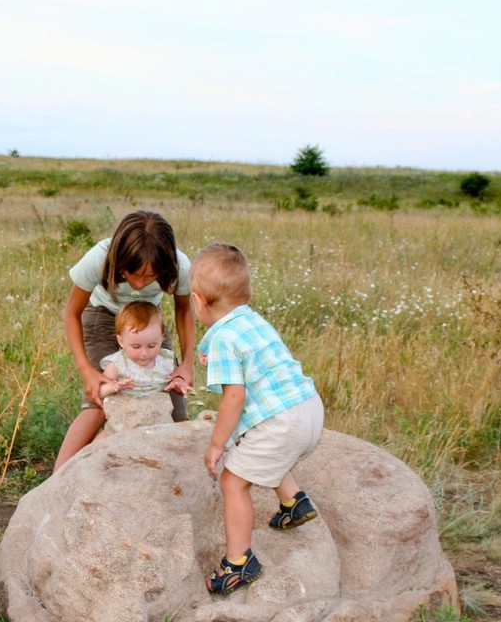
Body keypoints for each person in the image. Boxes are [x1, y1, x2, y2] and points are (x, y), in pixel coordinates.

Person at [190, 242, 324, 595]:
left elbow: (235, 396)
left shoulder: (224, 339)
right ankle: (294, 501)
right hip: (308, 409)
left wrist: (216, 443)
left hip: (281, 423)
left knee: (234, 481)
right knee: (261, 447)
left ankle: (238, 562)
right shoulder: (253, 320)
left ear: (199, 300)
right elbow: (248, 355)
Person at [54, 211, 195, 472]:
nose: (140, 283)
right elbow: (71, 313)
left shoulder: (180, 266)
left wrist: (186, 363)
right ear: (119, 259)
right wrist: (87, 371)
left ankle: (170, 479)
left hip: (146, 321)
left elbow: (184, 311)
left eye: (150, 276)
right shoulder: (99, 258)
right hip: (102, 314)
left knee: (174, 403)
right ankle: (56, 482)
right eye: (132, 274)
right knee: (100, 401)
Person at [97, 301, 179, 399]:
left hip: (158, 409)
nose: (144, 353)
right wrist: (112, 387)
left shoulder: (166, 360)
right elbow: (99, 391)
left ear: (162, 338)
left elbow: (177, 380)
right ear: (121, 341)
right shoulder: (117, 364)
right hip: (125, 409)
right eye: (136, 347)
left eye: (152, 346)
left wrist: (179, 382)